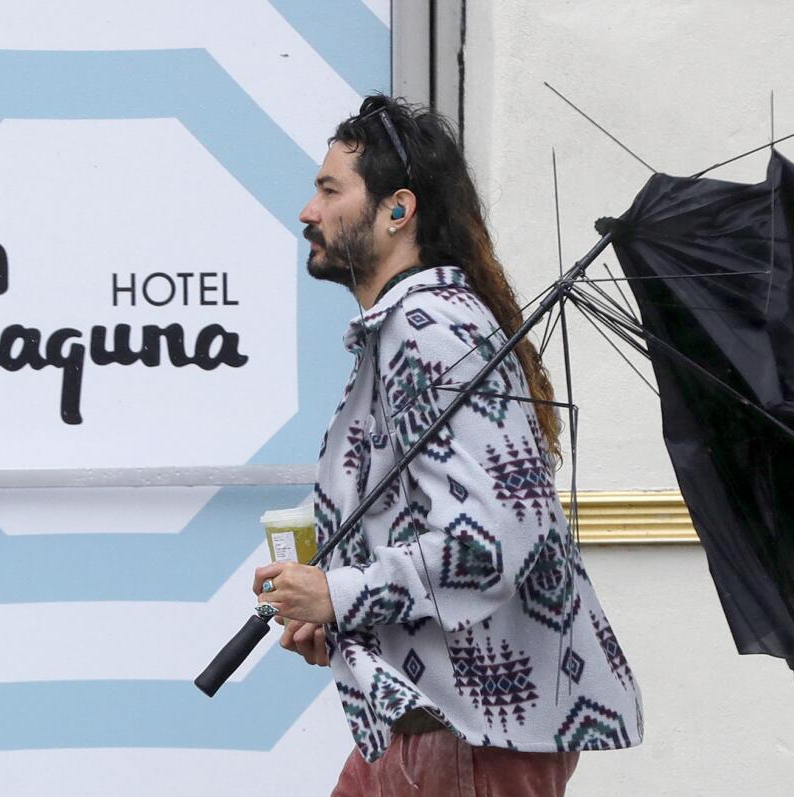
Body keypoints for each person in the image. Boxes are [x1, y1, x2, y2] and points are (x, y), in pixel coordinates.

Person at [251, 95, 642, 796]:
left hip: (468, 735)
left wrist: (340, 592)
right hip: (436, 723)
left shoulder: (431, 329)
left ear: (398, 210)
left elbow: (491, 540)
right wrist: (340, 613)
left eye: (329, 190)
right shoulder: (414, 326)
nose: (308, 212)